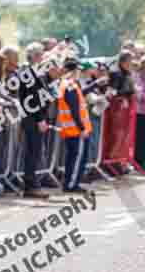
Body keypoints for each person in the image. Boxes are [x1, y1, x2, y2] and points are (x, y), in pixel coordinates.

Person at [17, 53, 59, 199]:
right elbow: (34, 98)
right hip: (32, 119)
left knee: (34, 152)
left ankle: (31, 184)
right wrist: (40, 119)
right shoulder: (29, 73)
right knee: (32, 152)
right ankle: (31, 186)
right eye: (40, 56)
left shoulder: (35, 73)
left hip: (34, 118)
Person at [57, 58, 94, 195]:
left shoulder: (66, 84)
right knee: (78, 157)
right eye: (77, 70)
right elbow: (74, 109)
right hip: (75, 129)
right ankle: (72, 184)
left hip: (72, 129)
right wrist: (82, 128)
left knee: (73, 157)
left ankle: (71, 183)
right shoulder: (70, 85)